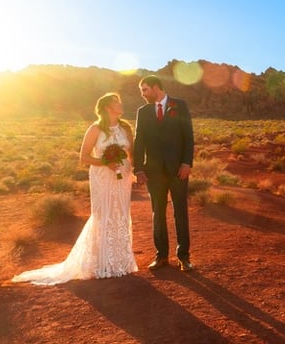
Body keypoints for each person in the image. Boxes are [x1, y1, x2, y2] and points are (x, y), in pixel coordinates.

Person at [12, 92, 138, 285]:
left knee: (120, 214)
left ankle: (121, 262)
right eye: (116, 102)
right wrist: (106, 162)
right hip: (102, 177)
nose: (120, 105)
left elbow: (132, 153)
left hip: (123, 178)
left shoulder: (126, 128)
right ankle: (101, 264)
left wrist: (133, 170)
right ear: (106, 107)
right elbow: (84, 157)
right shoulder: (95, 129)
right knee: (103, 215)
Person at [133, 75, 195, 271]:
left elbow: (188, 136)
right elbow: (139, 141)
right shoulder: (143, 112)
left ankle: (184, 257)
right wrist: (139, 168)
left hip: (178, 170)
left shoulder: (180, 105)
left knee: (180, 213)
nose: (143, 94)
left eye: (145, 90)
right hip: (154, 172)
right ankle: (161, 256)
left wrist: (186, 163)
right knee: (157, 213)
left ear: (155, 87)